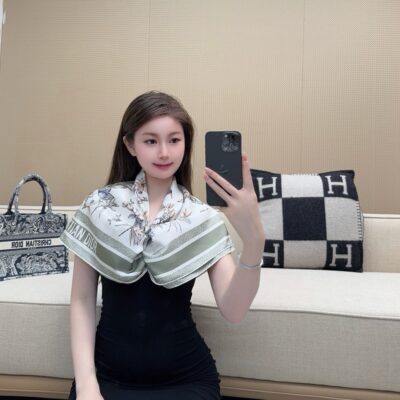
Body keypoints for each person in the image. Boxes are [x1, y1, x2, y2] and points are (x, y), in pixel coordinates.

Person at [59, 91, 264, 399]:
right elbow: (82, 300)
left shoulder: (202, 218)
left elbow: (234, 311)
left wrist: (254, 240)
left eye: (174, 140)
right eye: (151, 141)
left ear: (186, 144)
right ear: (130, 144)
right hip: (105, 378)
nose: (164, 152)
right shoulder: (99, 207)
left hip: (186, 380)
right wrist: (88, 385)